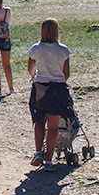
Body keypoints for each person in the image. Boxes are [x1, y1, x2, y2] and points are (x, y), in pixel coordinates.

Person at [28, 18, 72, 171]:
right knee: (53, 127)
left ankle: (38, 152)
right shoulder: (63, 50)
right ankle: (49, 161)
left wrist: (35, 77)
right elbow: (66, 74)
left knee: (39, 121)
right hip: (58, 88)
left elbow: (31, 68)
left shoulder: (36, 48)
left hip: (40, 86)